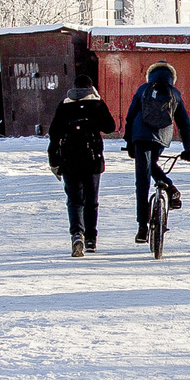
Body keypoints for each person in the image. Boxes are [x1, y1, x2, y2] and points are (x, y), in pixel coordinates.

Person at [125, 60, 190, 244]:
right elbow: (184, 125)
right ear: (171, 77)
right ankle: (170, 187)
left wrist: (128, 141)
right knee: (152, 164)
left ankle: (142, 228)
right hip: (162, 138)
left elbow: (131, 115)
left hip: (140, 137)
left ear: (151, 75)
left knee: (142, 182)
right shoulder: (175, 94)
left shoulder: (143, 90)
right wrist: (188, 149)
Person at [47, 78, 117, 258]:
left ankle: (77, 234)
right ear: (90, 88)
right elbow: (110, 127)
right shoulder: (96, 104)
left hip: (69, 159)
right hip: (92, 159)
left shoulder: (64, 106)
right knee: (91, 201)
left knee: (74, 200)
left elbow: (54, 135)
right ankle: (91, 239)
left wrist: (54, 161)